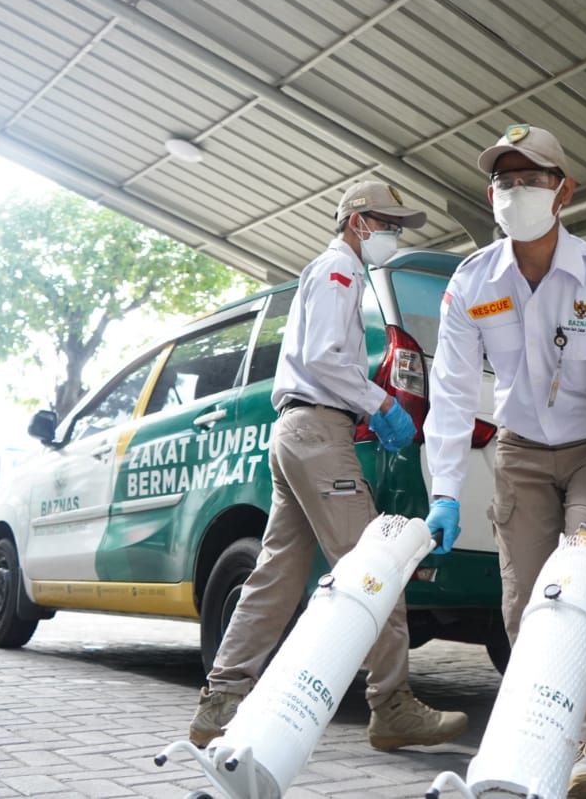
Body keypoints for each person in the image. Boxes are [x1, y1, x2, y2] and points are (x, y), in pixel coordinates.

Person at [189, 180, 468, 752]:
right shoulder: (340, 270)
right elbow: (324, 359)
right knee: (375, 564)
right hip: (318, 432)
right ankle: (392, 704)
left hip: (297, 432)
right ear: (358, 222)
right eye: (387, 224)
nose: (393, 235)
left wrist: (365, 406)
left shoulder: (335, 272)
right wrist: (381, 403)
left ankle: (221, 701)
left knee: (275, 574)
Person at [423, 124, 586, 799]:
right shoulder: (472, 281)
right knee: (525, 600)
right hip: (520, 449)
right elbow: (451, 391)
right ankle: (537, 737)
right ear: (490, 194)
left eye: (532, 179)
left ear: (564, 191)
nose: (516, 191)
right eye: (505, 180)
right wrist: (444, 491)